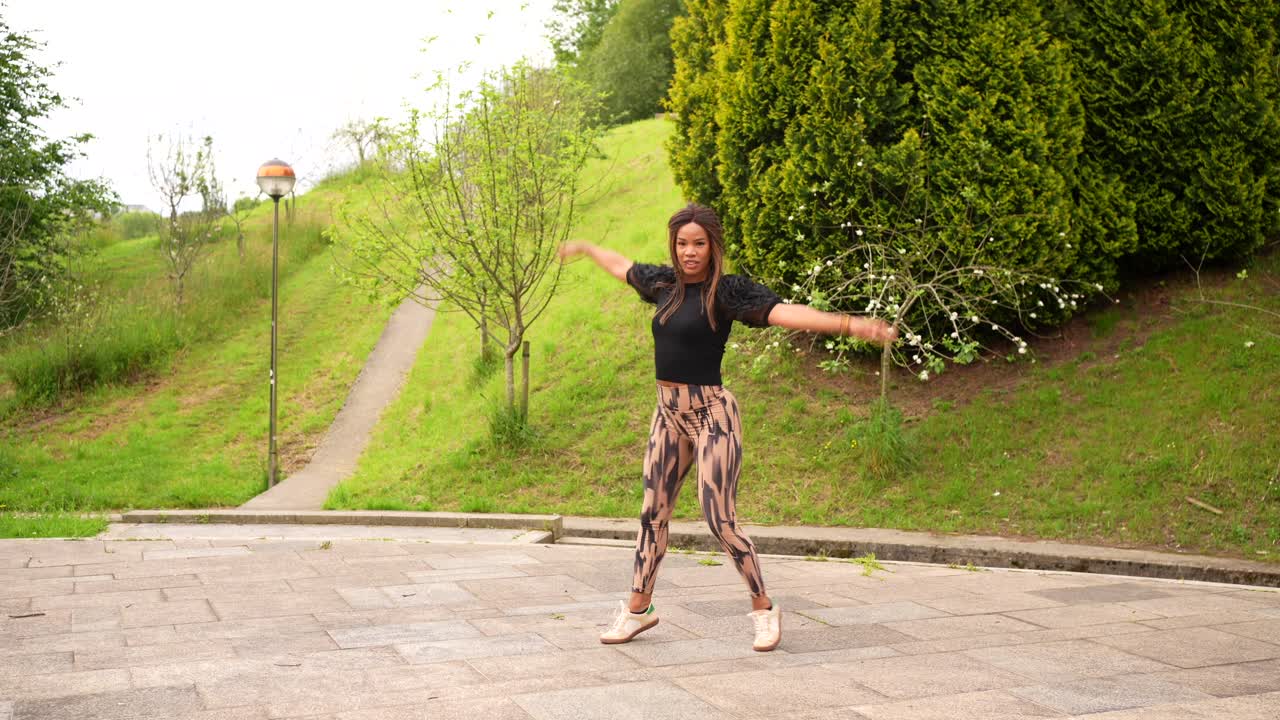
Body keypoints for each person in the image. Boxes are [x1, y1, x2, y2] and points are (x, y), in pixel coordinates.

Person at [558, 203, 896, 653]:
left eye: (699, 243)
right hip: (668, 415)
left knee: (719, 518)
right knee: (651, 513)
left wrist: (850, 325)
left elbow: (784, 313)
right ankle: (639, 610)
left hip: (712, 415)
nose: (689, 252)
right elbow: (621, 266)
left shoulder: (727, 293)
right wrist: (585, 247)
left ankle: (764, 608)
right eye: (682, 243)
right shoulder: (664, 285)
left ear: (713, 246)